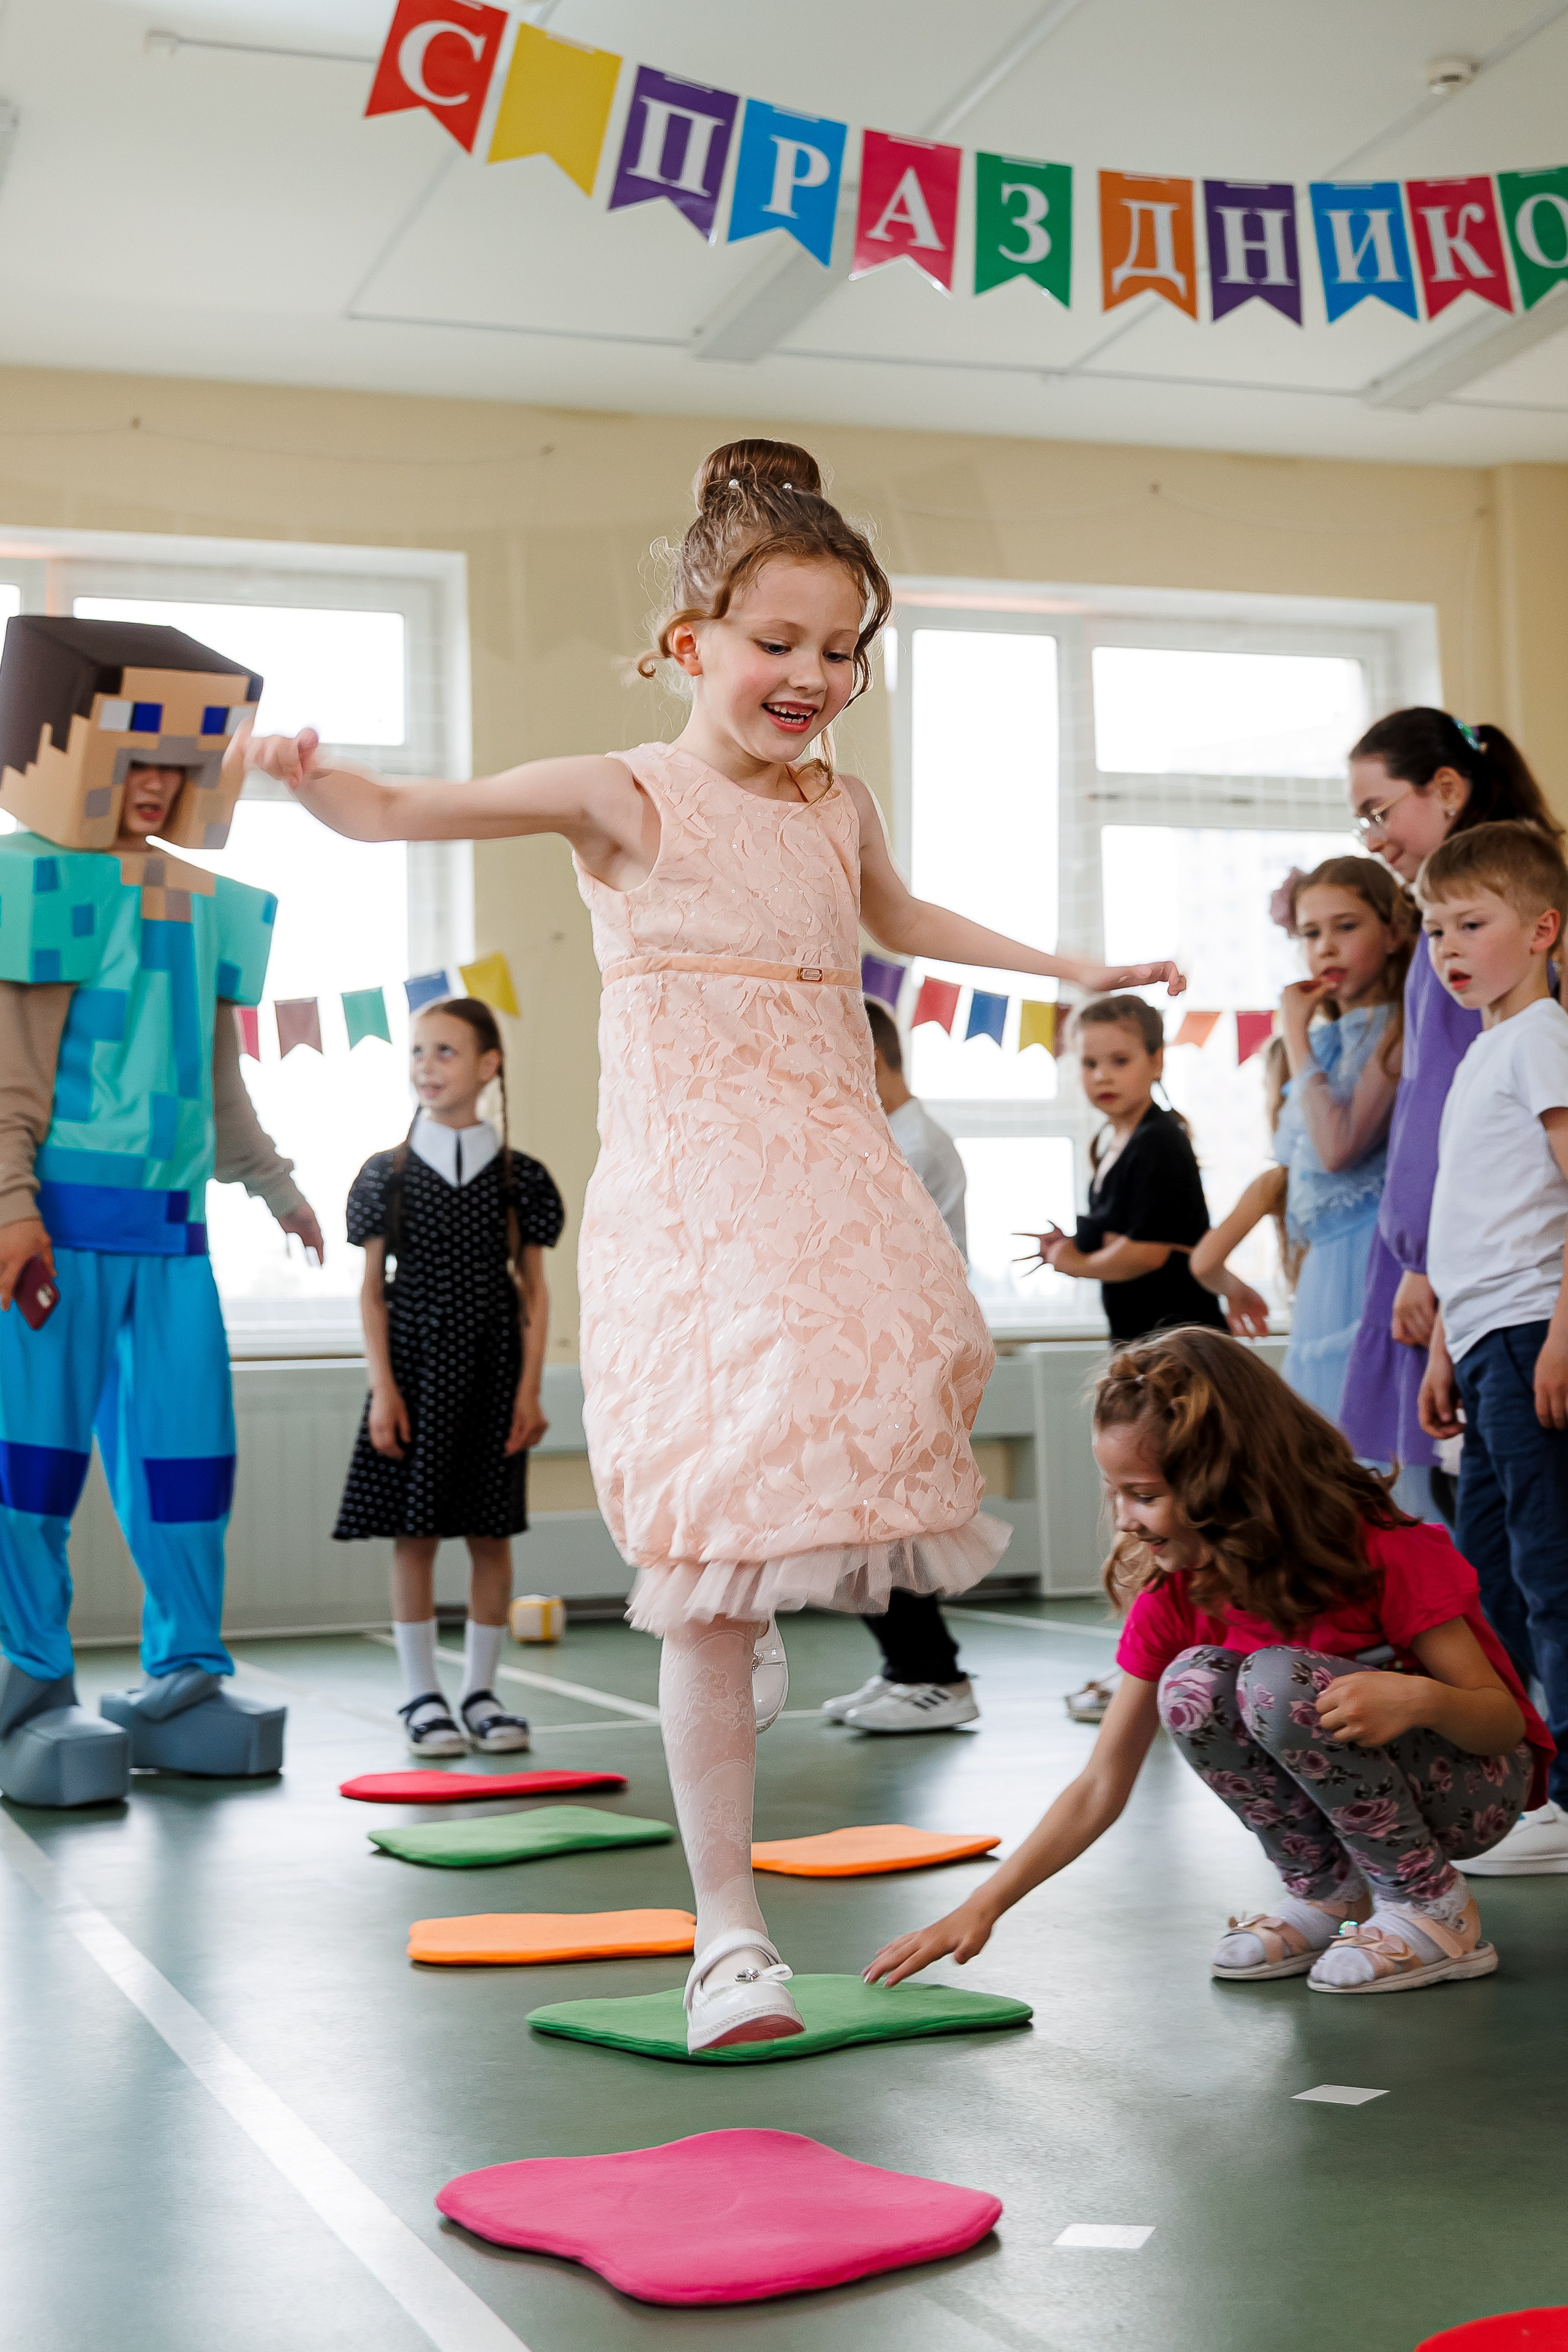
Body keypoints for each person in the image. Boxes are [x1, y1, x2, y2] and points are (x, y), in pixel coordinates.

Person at [240, 435, 1186, 2054]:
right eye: (777, 645)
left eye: (841, 653)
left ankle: (734, 1629)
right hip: (698, 1189)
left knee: (912, 1347)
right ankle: (728, 1934)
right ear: (693, 643)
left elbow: (902, 920)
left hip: (831, 1164)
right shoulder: (630, 793)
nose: (811, 678)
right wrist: (312, 774)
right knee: (709, 1555)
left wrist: (1065, 960)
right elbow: (405, 805)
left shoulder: (837, 803)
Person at [866, 1328, 1551, 1999]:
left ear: (1228, 1485)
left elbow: (1498, 1724)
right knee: (1193, 1683)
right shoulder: (1177, 1594)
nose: (1125, 1518)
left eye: (1145, 1494)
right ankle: (1325, 1893)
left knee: (1276, 1683)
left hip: (1471, 1794)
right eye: (1116, 1493)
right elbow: (1102, 1782)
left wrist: (1419, 1700)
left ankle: (1433, 1906)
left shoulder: (1383, 1553)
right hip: (1361, 1812)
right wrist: (983, 1905)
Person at [0, 617, 321, 1805]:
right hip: (55, 1232)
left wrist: (275, 1183)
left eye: (172, 770)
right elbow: (9, 1078)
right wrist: (9, 1211)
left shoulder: (196, 905)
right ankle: (27, 1679)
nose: (151, 789)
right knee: (30, 1468)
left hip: (173, 1236)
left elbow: (214, 1075)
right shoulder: (35, 887)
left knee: (187, 1465)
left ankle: (184, 1672)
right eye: (132, 766)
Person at [1340, 710, 1563, 1518]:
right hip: (1450, 1272)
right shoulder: (1455, 945)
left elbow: (1494, 1139)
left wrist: (1426, 1260)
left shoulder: (1508, 958)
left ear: (1445, 788)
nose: (1371, 836)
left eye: (1378, 811)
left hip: (1485, 1277)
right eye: (1438, 931)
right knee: (1473, 1504)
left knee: (1505, 1515)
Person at [336, 997, 564, 1757]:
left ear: (488, 1066)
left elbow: (534, 1292)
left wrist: (530, 1389)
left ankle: (481, 1693)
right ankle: (422, 1696)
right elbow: (372, 1290)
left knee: (491, 1531)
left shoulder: (520, 1177)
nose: (425, 1067)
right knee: (416, 1531)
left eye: (445, 1052)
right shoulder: (385, 1173)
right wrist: (384, 1388)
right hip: (413, 1364)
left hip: (495, 1366)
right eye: (417, 1053)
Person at [1417, 822, 1568, 1875]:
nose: (1449, 949)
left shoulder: (1545, 1034)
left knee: (1551, 1570)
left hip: (1531, 1334)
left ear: (1544, 929)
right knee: (1484, 1582)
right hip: (1482, 1342)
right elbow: (1473, 1214)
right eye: (1434, 931)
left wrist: (1563, 1330)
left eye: (1473, 924)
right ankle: (1519, 1782)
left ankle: (1561, 1798)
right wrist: (1441, 1347)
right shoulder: (1486, 1047)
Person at [1195, 859, 1412, 1425]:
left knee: (1376, 1446)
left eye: (1346, 927)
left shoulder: (1398, 1033)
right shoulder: (1332, 1043)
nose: (1327, 948)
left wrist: (1293, 1030)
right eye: (1311, 933)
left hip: (1371, 1266)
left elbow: (1338, 1147)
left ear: (1392, 932)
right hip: (1323, 1276)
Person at [820, 997, 979, 1735]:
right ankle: (905, 1667)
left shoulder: (914, 1143)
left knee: (885, 1524)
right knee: (857, 1524)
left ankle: (937, 1676)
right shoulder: (885, 1134)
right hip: (878, 1348)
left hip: (909, 1350)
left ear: (873, 1056)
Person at [1018, 995, 1263, 1340]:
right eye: (1090, 1064)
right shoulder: (1115, 1144)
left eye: (1120, 1061)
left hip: (1177, 1341)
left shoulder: (1158, 1142)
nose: (1103, 1076)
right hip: (1145, 1338)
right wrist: (1076, 1243)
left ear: (1156, 1062)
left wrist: (1073, 1262)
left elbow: (1146, 1253)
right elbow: (1128, 1235)